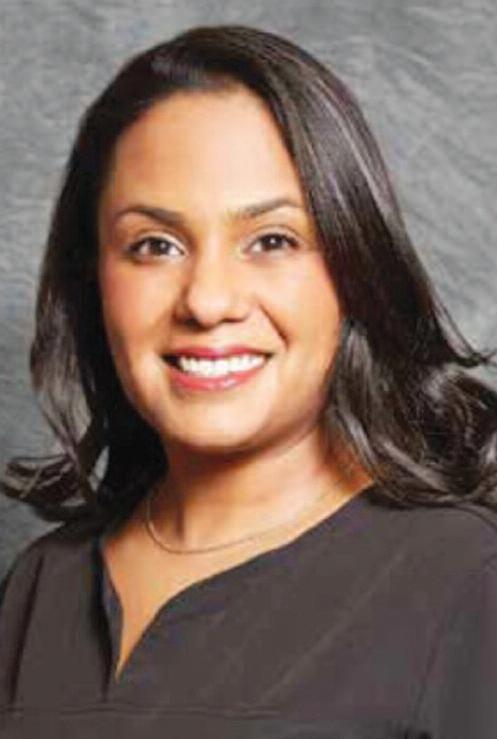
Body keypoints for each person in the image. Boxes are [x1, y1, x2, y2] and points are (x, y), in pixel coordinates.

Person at [1, 23, 497, 739]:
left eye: (272, 241)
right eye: (155, 245)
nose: (207, 301)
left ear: (355, 266)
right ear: (93, 277)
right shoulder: (41, 587)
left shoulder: (464, 581)